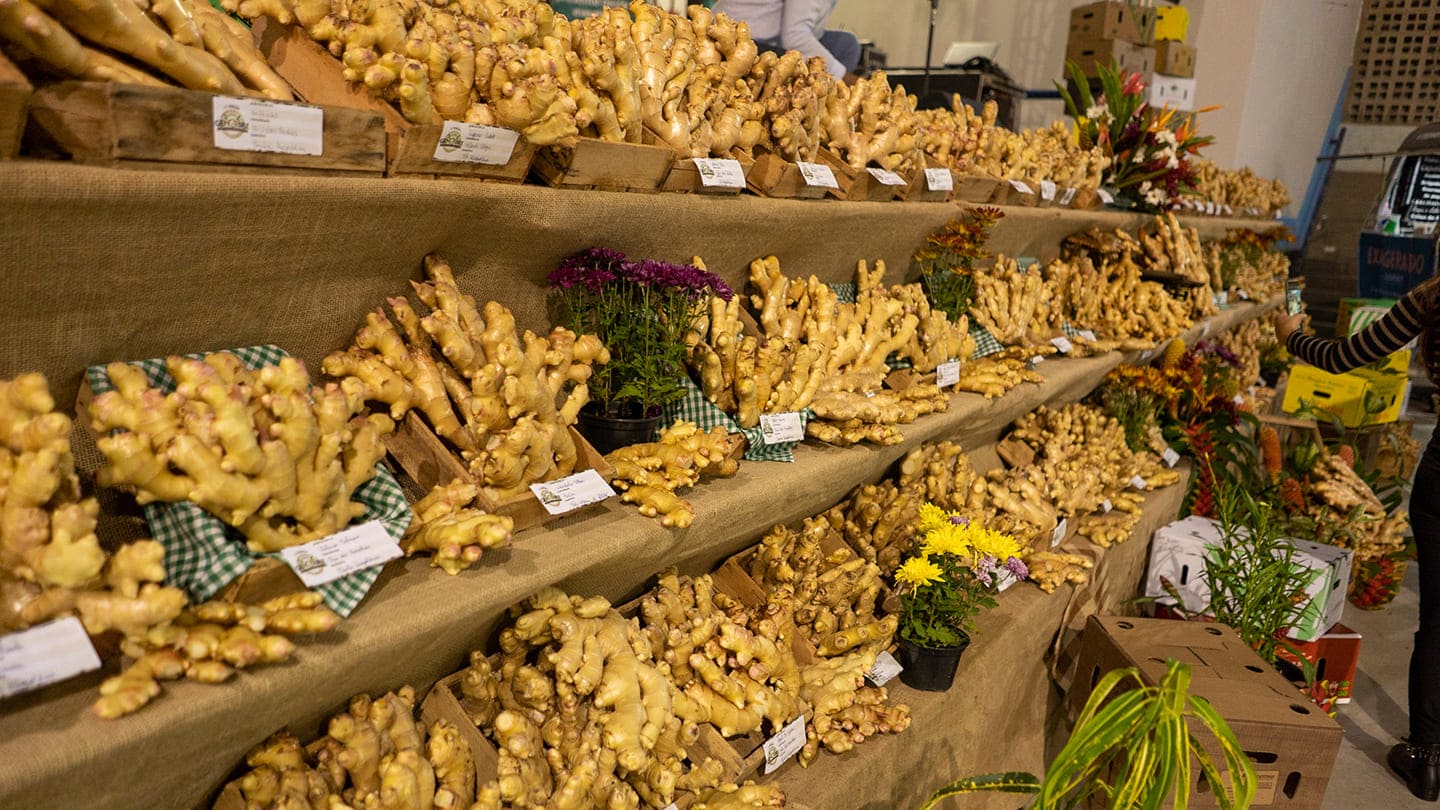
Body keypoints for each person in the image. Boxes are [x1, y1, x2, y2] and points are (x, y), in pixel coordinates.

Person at [1279, 280, 1440, 802]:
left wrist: (1291, 334)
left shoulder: (1433, 296)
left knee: (1438, 621)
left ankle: (1427, 757)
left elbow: (1344, 357)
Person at [713, 0, 859, 80]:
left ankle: (827, 99)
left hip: (773, 37)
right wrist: (845, 78)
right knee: (785, 63)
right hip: (738, 37)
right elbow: (796, 37)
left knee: (845, 44)